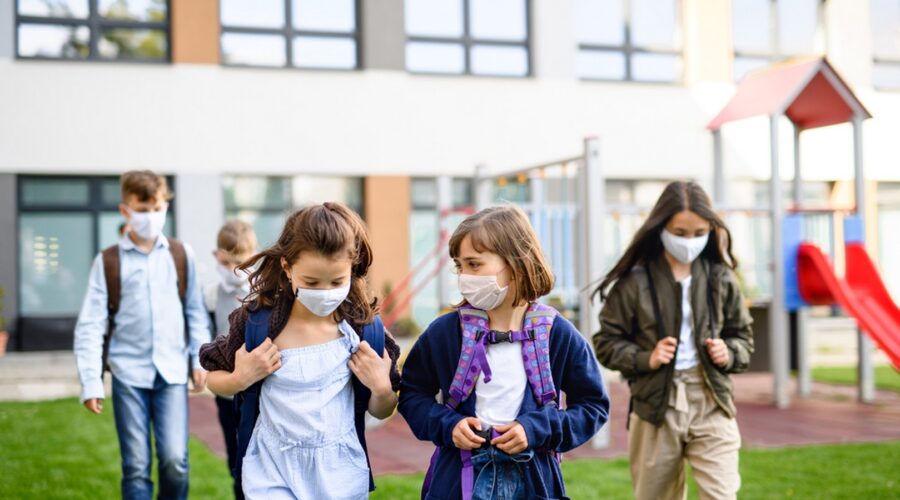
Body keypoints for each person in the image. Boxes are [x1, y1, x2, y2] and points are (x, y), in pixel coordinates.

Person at [400, 205, 610, 500]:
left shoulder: (556, 334)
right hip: (458, 479)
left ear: (515, 265)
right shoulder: (445, 333)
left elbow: (593, 406)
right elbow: (411, 394)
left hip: (534, 480)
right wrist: (448, 426)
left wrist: (535, 429)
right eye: (459, 266)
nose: (464, 276)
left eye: (474, 265)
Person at [199, 202, 401, 499]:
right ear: (287, 267)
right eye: (311, 282)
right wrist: (240, 378)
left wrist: (382, 389)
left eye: (336, 281)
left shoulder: (362, 329)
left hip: (340, 474)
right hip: (272, 471)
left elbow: (382, 409)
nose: (324, 292)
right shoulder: (257, 323)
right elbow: (212, 377)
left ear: (352, 268)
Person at [593, 181, 754, 500]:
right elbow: (606, 342)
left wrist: (729, 352)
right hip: (655, 404)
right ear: (660, 227)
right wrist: (646, 358)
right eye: (680, 233)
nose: (690, 242)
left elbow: (743, 337)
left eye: (699, 233)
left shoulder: (721, 277)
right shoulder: (634, 281)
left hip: (711, 400)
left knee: (722, 494)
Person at [74, 170, 210, 500]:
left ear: (165, 207)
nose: (150, 216)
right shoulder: (107, 262)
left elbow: (195, 312)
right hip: (128, 375)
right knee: (135, 466)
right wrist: (91, 381)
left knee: (175, 460)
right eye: (142, 209)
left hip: (173, 373)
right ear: (125, 211)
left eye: (156, 208)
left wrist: (198, 357)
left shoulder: (181, 255)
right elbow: (91, 325)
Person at [202, 220, 257, 497]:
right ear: (217, 256)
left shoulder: (261, 292)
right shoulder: (211, 294)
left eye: (240, 262)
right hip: (226, 390)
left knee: (254, 456)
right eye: (227, 262)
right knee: (235, 459)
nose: (233, 270)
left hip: (257, 389)